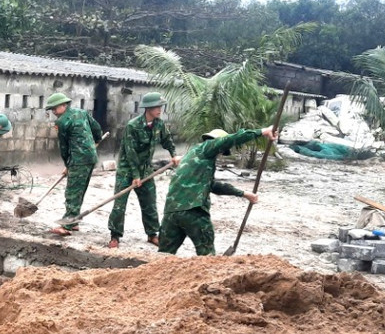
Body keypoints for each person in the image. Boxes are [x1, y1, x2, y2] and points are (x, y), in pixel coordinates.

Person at [158, 126, 277, 255]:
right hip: (193, 210)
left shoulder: (193, 155)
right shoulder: (208, 146)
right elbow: (232, 139)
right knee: (207, 256)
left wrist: (243, 194)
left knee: (163, 256)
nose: (220, 154)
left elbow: (213, 186)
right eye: (222, 150)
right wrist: (262, 132)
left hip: (171, 212)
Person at [107, 92, 181, 249]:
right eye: (157, 107)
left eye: (160, 106)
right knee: (119, 204)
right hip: (127, 170)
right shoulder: (132, 126)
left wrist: (174, 155)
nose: (160, 110)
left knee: (149, 203)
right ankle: (115, 236)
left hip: (146, 169)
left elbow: (167, 140)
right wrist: (135, 176)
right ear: (148, 108)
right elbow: (130, 152)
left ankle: (152, 234)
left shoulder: (159, 124)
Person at [45, 92, 103, 236]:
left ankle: (67, 226)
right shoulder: (82, 113)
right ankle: (74, 222)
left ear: (64, 105)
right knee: (80, 190)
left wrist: (68, 165)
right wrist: (97, 140)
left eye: (55, 108)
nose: (53, 112)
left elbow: (64, 147)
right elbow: (96, 128)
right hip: (91, 158)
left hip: (78, 161)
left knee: (72, 192)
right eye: (51, 109)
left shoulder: (62, 122)